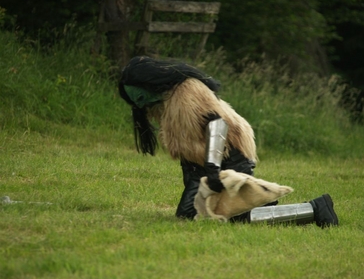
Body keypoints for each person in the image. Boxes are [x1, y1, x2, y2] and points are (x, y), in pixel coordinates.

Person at [119, 56, 338, 227]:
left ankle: (314, 209)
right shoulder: (166, 101)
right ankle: (255, 199)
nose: (140, 104)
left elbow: (217, 124)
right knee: (197, 213)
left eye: (139, 97)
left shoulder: (187, 91)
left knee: (219, 214)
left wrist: (213, 170)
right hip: (202, 164)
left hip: (230, 152)